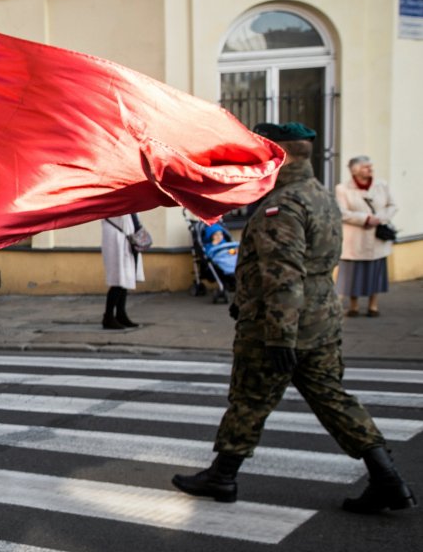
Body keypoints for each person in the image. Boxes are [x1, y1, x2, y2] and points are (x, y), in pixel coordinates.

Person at [172, 122, 415, 514]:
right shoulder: (319, 196)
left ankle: (222, 476)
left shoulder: (280, 205)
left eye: (261, 157)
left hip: (279, 323)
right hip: (321, 320)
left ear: (278, 158)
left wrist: (280, 335)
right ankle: (388, 480)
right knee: (333, 399)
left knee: (250, 398)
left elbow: (283, 274)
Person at [335, 155, 398, 318]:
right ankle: (353, 306)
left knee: (375, 271)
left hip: (376, 237)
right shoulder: (343, 189)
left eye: (370, 166)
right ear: (355, 170)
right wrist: (365, 218)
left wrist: (380, 218)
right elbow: (341, 212)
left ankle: (373, 305)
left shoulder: (381, 185)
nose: (370, 169)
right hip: (355, 238)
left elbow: (392, 205)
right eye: (365, 167)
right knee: (352, 274)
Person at [100, 214, 144, 329]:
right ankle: (108, 317)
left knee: (125, 280)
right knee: (118, 280)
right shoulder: (115, 200)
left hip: (126, 239)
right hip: (117, 240)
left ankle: (121, 314)